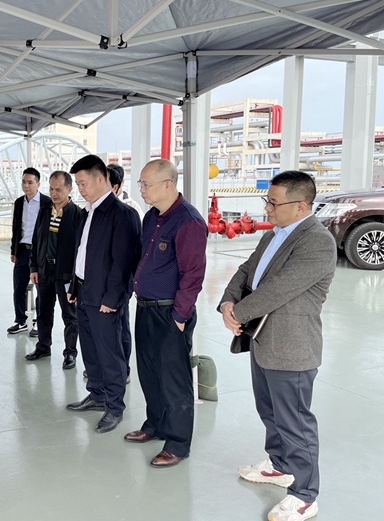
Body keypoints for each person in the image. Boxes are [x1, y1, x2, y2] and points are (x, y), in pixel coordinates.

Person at [219, 171, 336, 521]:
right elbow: (246, 271)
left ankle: (304, 494)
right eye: (266, 201)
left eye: (273, 202)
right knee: (270, 411)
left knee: (294, 422)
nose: (267, 208)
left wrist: (238, 312)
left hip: (291, 347)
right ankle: (280, 465)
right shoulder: (274, 235)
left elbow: (279, 289)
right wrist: (227, 301)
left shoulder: (317, 242)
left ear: (300, 206)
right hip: (262, 340)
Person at [123, 159, 207, 468]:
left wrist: (180, 317)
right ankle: (155, 425)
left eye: (146, 184)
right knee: (149, 372)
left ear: (168, 185)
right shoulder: (152, 217)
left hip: (170, 313)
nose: (142, 190)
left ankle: (178, 444)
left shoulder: (188, 222)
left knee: (174, 381)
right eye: (141, 184)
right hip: (146, 307)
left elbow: (193, 275)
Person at [65, 155, 140, 434]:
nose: (80, 189)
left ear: (100, 179)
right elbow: (81, 254)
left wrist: (112, 298)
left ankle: (115, 406)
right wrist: (74, 286)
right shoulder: (87, 212)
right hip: (84, 291)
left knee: (110, 353)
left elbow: (124, 263)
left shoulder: (123, 215)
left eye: (83, 183)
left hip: (106, 297)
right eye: (77, 184)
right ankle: (96, 394)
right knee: (90, 348)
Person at [26, 171, 82, 369]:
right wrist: (34, 267)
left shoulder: (77, 215)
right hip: (44, 270)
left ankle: (70, 353)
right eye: (51, 189)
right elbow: (36, 240)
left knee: (70, 315)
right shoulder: (44, 211)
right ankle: (43, 346)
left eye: (58, 189)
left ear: (69, 189)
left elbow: (81, 249)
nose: (54, 193)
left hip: (65, 274)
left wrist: (76, 277)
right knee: (43, 311)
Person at [106, 163, 143, 383]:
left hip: (122, 279)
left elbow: (135, 249)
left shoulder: (131, 209)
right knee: (105, 326)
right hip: (103, 279)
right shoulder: (97, 208)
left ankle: (124, 369)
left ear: (118, 186)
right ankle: (107, 368)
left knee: (121, 325)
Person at [8, 168, 51, 336]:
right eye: (24, 182)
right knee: (18, 287)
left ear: (38, 184)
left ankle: (39, 322)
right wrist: (13, 250)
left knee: (41, 289)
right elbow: (16, 227)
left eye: (30, 182)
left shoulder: (47, 203)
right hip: (22, 251)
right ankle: (20, 321)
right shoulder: (19, 202)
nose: (26, 185)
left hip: (40, 253)